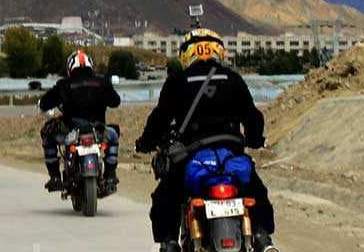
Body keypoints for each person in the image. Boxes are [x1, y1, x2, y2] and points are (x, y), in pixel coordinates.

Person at [135, 29, 277, 252]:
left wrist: (145, 142)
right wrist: (255, 139)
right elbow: (253, 117)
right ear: (218, 51)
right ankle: (262, 238)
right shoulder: (233, 78)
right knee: (257, 192)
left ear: (187, 54)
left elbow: (159, 119)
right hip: (231, 154)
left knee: (165, 197)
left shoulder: (178, 81)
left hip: (191, 156)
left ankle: (170, 244)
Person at [38, 49, 121, 192]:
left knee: (47, 133)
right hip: (98, 129)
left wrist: (45, 104)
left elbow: (45, 103)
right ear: (91, 65)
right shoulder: (102, 82)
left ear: (70, 67)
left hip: (72, 130)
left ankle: (55, 177)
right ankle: (110, 174)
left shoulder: (64, 84)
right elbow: (116, 101)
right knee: (113, 136)